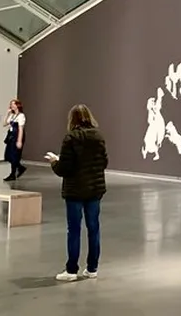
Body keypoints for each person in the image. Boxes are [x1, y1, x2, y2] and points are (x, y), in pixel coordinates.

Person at [45, 104, 108, 282]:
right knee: (93, 228)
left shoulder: (70, 138)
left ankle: (71, 270)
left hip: (75, 190)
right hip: (94, 189)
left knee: (74, 230)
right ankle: (92, 268)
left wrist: (54, 161)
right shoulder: (98, 136)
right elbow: (104, 162)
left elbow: (64, 168)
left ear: (72, 119)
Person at [3, 99, 26, 181]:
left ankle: (12, 174)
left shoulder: (21, 116)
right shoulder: (12, 115)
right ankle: (20, 167)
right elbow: (4, 124)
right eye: (11, 104)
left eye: (13, 104)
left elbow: (21, 129)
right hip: (11, 137)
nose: (12, 106)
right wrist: (7, 114)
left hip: (17, 136)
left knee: (14, 155)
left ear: (17, 105)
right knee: (9, 155)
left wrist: (19, 141)